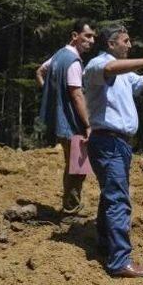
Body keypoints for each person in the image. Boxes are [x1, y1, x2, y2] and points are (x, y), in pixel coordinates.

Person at [83, 24, 143, 278]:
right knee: (118, 200)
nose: (130, 45)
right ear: (111, 44)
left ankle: (105, 243)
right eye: (125, 41)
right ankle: (119, 261)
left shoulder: (126, 73)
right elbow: (109, 69)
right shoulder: (98, 64)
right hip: (107, 141)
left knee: (111, 195)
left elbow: (142, 85)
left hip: (119, 144)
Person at [38, 20, 95, 216]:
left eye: (93, 37)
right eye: (87, 36)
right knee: (78, 167)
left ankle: (70, 205)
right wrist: (87, 124)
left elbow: (40, 71)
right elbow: (76, 94)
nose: (91, 40)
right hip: (72, 123)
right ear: (74, 36)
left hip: (59, 122)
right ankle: (71, 210)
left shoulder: (58, 56)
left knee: (72, 164)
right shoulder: (74, 62)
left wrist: (51, 96)